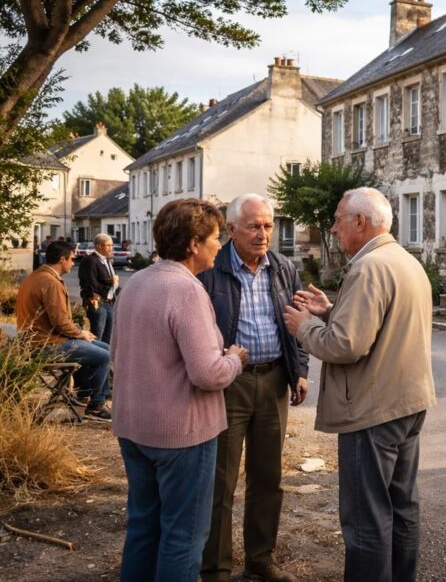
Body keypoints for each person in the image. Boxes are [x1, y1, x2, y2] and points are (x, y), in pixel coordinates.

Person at [284, 187, 436, 582]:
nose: (332, 228)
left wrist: (306, 327)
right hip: (406, 403)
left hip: (372, 410)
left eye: (337, 219)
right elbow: (380, 324)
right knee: (402, 507)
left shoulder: (368, 267)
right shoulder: (403, 260)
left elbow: (347, 345)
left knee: (367, 519)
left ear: (360, 222)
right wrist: (333, 310)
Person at [110, 199, 248, 581]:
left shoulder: (137, 282)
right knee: (183, 538)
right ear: (193, 243)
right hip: (180, 435)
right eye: (216, 239)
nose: (219, 246)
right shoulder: (186, 290)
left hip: (133, 427)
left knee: (143, 527)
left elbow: (117, 353)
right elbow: (208, 373)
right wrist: (235, 358)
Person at [199, 194, 308, 582]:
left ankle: (260, 561)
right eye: (254, 226)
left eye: (268, 225)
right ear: (231, 230)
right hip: (229, 385)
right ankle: (215, 569)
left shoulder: (282, 267)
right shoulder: (210, 270)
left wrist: (300, 370)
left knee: (268, 478)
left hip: (275, 379)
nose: (264, 234)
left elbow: (297, 322)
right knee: (220, 481)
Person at [15, 239, 112, 421]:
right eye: (72, 259)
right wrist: (80, 333)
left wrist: (79, 334)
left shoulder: (35, 277)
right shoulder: (51, 283)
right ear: (62, 260)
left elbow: (55, 320)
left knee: (103, 349)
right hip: (47, 345)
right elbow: (60, 321)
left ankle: (84, 393)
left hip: (37, 342)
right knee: (105, 355)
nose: (73, 263)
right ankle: (96, 405)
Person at [79, 233, 118, 344]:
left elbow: (112, 283)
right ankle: (97, 358)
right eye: (108, 245)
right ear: (99, 246)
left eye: (111, 245)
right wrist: (109, 282)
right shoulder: (90, 260)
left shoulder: (107, 260)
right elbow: (90, 284)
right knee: (98, 335)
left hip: (109, 301)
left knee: (109, 334)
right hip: (97, 301)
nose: (111, 248)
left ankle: (107, 358)